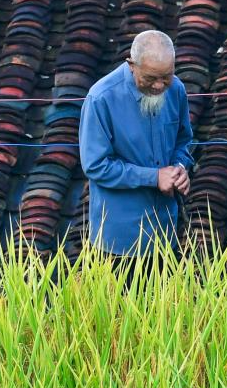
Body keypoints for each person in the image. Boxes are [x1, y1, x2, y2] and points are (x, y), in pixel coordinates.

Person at [78, 30, 194, 276]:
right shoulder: (101, 98)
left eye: (167, 76)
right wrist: (154, 177)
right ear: (131, 65)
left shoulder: (177, 90)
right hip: (118, 241)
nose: (160, 85)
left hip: (166, 233)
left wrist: (180, 168)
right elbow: (96, 165)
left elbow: (184, 141)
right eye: (151, 78)